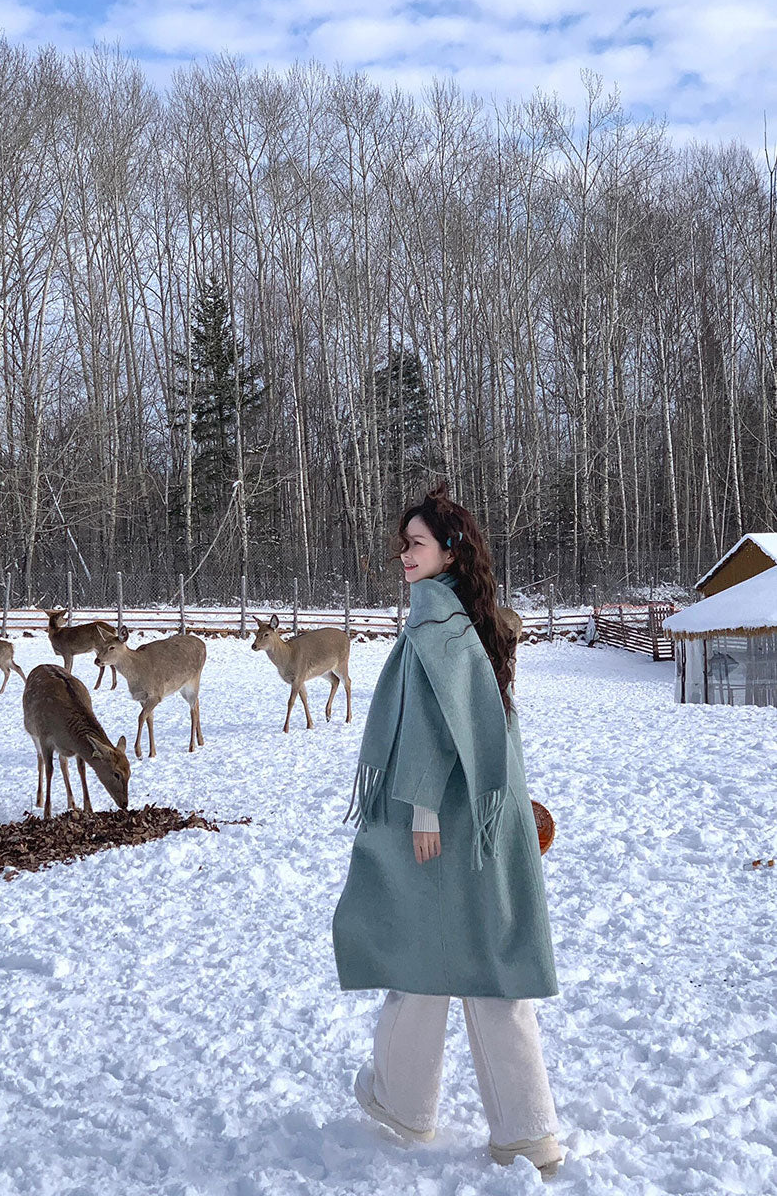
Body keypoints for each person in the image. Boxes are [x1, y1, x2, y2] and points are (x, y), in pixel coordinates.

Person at [332, 484, 563, 1179]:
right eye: (403, 544)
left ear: (450, 552)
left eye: (417, 544)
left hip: (439, 824)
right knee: (480, 963)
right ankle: (525, 1132)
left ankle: (404, 1104)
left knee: (422, 958)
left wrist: (424, 808)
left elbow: (436, 725)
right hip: (482, 821)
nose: (404, 555)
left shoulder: (436, 622)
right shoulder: (470, 618)